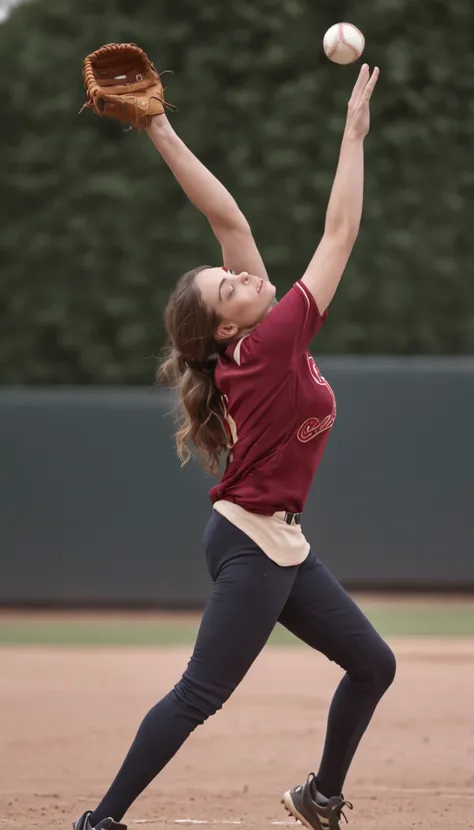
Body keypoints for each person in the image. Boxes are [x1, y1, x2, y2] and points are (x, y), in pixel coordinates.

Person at [74, 63, 395, 830]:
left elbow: (226, 215)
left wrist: (159, 128)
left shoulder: (250, 335)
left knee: (373, 664)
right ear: (228, 327)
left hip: (278, 541)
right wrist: (352, 136)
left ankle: (320, 797)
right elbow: (340, 234)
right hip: (251, 544)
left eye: (228, 273)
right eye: (227, 285)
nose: (240, 272)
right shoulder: (273, 339)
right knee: (198, 696)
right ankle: (100, 822)